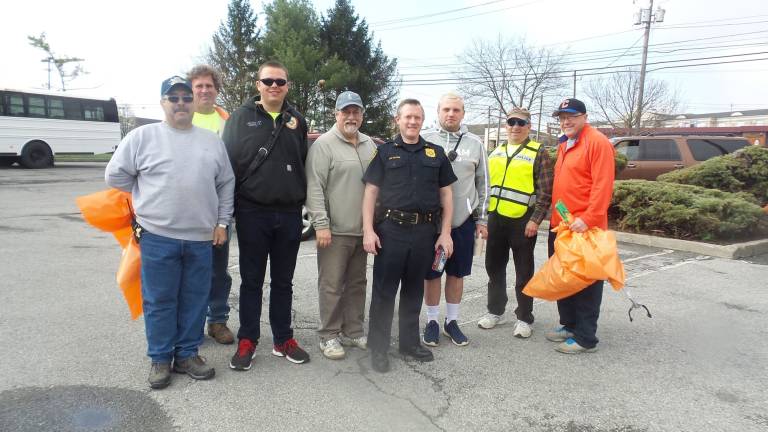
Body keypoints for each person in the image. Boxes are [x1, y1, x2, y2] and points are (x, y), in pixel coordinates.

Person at [105, 76, 235, 389]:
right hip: (156, 237)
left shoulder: (211, 141)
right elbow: (115, 176)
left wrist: (221, 222)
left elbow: (226, 183)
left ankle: (187, 355)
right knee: (160, 300)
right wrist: (148, 201)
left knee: (194, 299)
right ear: (163, 103)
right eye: (172, 98)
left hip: (201, 239)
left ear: (194, 102)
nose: (180, 103)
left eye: (185, 98)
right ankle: (160, 358)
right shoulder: (142, 137)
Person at [223, 61, 311, 370]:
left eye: (281, 81)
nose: (275, 85)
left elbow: (302, 164)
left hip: (288, 214)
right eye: (268, 80)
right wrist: (228, 212)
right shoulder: (239, 119)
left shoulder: (297, 120)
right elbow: (228, 166)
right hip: (252, 213)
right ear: (258, 85)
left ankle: (283, 339)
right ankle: (248, 339)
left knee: (283, 282)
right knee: (251, 281)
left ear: (287, 86)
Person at [362, 98, 457, 373]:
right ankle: (378, 347)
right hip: (391, 230)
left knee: (414, 289)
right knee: (383, 291)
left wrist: (445, 233)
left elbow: (446, 194)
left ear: (422, 120)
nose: (412, 122)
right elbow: (370, 192)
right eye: (407, 117)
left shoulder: (435, 153)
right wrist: (368, 229)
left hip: (424, 231)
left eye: (417, 117)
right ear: (398, 120)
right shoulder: (385, 152)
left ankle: (409, 343)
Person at [306, 91, 377, 360]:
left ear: (361, 115)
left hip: (364, 231)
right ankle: (329, 335)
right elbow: (314, 187)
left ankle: (353, 330)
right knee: (332, 285)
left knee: (358, 283)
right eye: (345, 111)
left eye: (355, 111)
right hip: (334, 231)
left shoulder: (370, 145)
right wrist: (321, 224)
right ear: (336, 114)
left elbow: (377, 187)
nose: (351, 116)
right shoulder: (323, 145)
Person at [546, 98, 615, 354]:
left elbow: (602, 185)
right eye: (562, 117)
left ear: (585, 116)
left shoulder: (597, 143)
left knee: (586, 282)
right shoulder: (565, 143)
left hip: (586, 229)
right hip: (563, 226)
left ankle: (586, 337)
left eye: (571, 116)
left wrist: (588, 219)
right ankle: (570, 325)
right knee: (565, 278)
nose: (566, 121)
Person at [420, 92, 489, 347]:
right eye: (446, 109)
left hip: (462, 221)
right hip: (430, 223)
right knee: (432, 274)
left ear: (463, 113)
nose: (451, 114)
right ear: (438, 111)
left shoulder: (475, 143)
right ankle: (432, 321)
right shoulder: (425, 139)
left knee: (457, 274)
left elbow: (484, 183)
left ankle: (452, 321)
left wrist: (482, 219)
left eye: (456, 110)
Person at [478, 107, 553, 338]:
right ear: (505, 125)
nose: (515, 127)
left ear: (529, 127)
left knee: (523, 272)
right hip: (496, 219)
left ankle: (524, 317)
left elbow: (546, 190)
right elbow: (484, 186)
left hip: (523, 222)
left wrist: (535, 220)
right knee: (494, 268)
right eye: (511, 122)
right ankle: (495, 311)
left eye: (521, 123)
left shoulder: (538, 152)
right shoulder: (495, 152)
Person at [187, 64, 234, 345]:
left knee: (218, 270)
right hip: (187, 211)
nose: (204, 90)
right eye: (198, 86)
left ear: (217, 90)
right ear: (191, 91)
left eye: (209, 86)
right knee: (190, 271)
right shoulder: (179, 119)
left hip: (220, 210)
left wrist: (225, 217)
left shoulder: (230, 122)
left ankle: (217, 321)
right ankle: (190, 324)